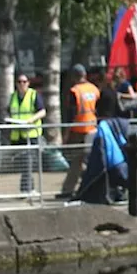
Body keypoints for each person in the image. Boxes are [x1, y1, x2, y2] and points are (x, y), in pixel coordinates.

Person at [59, 64, 100, 197]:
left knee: (75, 160)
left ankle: (69, 189)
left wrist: (65, 134)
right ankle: (87, 185)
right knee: (86, 159)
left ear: (74, 76)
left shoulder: (75, 91)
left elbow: (71, 114)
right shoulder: (94, 89)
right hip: (93, 128)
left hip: (78, 130)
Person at [6, 74, 47, 196]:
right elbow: (9, 112)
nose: (22, 84)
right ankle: (29, 188)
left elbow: (42, 111)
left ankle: (26, 189)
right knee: (24, 163)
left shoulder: (34, 95)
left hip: (31, 134)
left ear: (28, 83)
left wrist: (31, 120)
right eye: (19, 82)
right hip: (17, 135)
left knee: (28, 161)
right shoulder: (13, 97)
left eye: (24, 81)